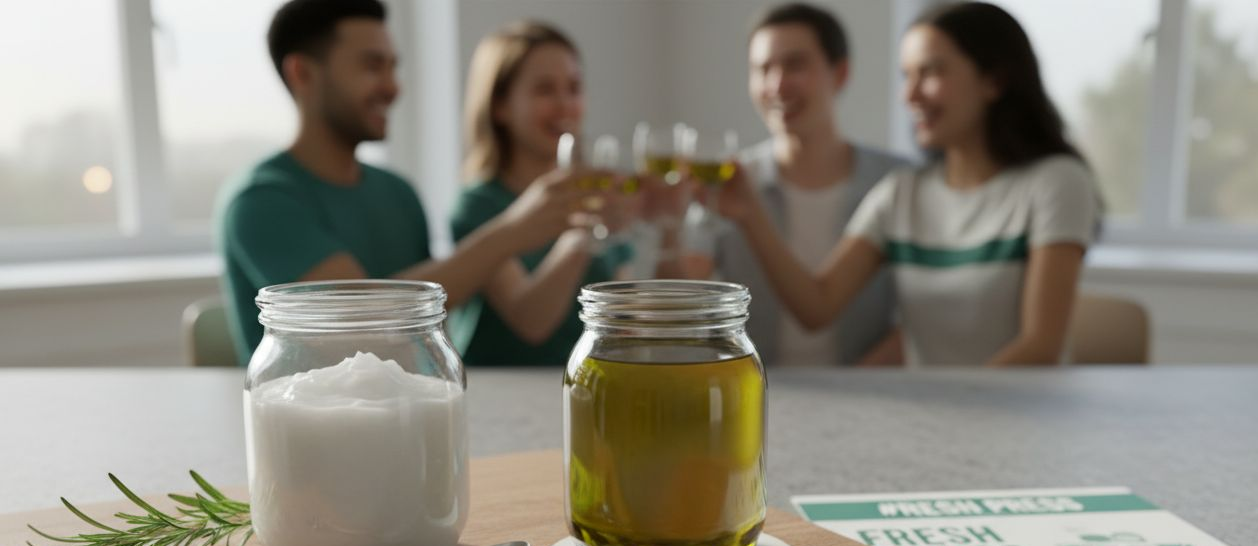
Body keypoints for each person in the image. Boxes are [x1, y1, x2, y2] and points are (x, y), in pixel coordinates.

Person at [710, 1, 1100, 365]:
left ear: (993, 81)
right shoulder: (901, 194)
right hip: (929, 422)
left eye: (931, 72)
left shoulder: (1055, 183)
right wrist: (750, 213)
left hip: (1015, 422)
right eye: (906, 76)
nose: (910, 95)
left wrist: (953, 415)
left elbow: (1040, 347)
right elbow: (816, 307)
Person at [218, 0, 585, 362]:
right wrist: (515, 229)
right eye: (372, 66)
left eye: (394, 67)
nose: (393, 88)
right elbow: (358, 327)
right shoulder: (261, 201)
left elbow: (427, 333)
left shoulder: (398, 193)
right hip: (313, 417)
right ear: (303, 74)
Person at [667, 3, 907, 366]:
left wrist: (863, 384)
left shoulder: (894, 182)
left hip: (872, 392)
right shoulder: (727, 182)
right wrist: (665, 223)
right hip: (757, 394)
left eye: (795, 65)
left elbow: (922, 318)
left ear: (839, 74)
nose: (776, 85)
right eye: (763, 69)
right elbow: (683, 303)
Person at [448, 21, 634, 366]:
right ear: (500, 106)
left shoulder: (598, 195)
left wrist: (670, 226)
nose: (565, 104)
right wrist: (584, 229)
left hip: (580, 387)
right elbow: (531, 320)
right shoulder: (479, 206)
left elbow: (627, 322)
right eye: (545, 90)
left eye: (574, 88)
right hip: (504, 397)